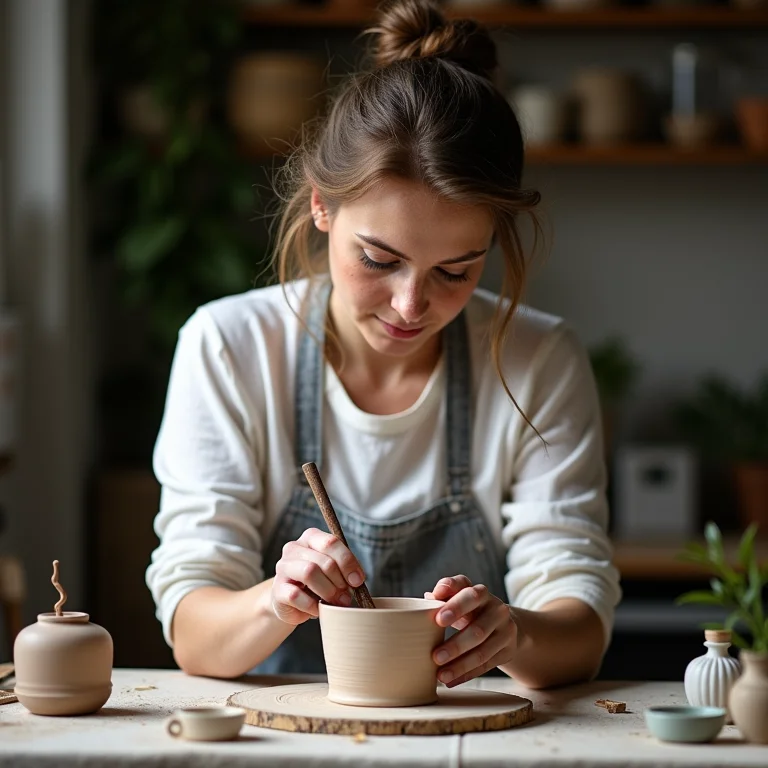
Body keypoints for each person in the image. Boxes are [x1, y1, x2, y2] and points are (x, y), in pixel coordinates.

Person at [146, 0, 621, 690]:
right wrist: (276, 601)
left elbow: (578, 628)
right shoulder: (230, 348)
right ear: (321, 206)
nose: (409, 305)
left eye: (456, 271)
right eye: (378, 259)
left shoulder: (538, 359)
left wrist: (514, 634)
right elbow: (193, 630)